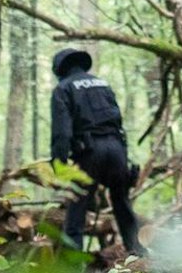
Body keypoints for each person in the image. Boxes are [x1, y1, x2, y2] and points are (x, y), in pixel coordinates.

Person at [51, 48, 145, 257]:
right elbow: (118, 124)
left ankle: (72, 265)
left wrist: (59, 164)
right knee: (122, 205)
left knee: (76, 211)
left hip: (88, 153)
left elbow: (62, 132)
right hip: (116, 150)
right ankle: (138, 256)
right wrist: (124, 159)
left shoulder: (63, 88)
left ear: (60, 70)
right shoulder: (103, 85)